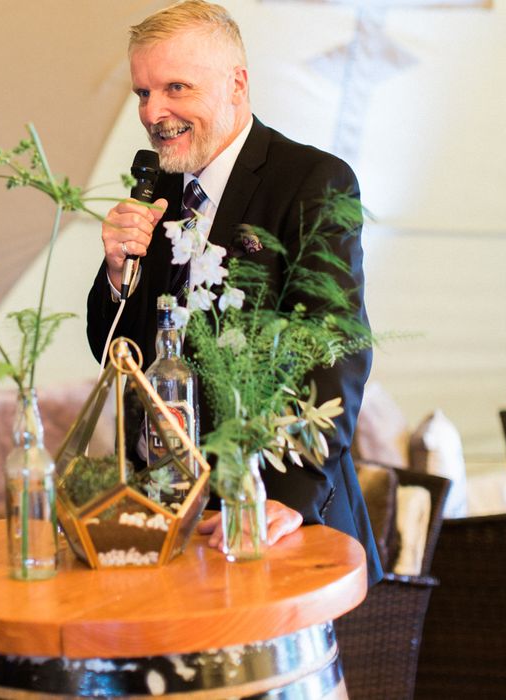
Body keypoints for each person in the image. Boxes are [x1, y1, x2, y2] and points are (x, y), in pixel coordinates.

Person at [86, 0, 382, 585]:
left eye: (175, 87)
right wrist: (118, 272)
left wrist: (289, 498)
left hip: (276, 519)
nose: (154, 111)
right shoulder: (158, 189)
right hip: (173, 522)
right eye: (143, 92)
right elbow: (116, 353)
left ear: (236, 85)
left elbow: (335, 348)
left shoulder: (312, 181)